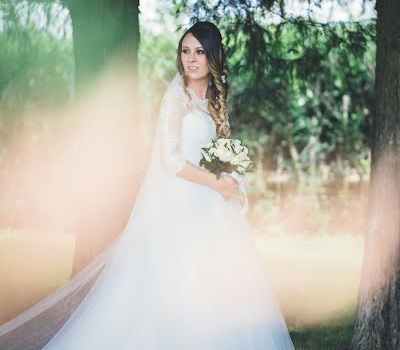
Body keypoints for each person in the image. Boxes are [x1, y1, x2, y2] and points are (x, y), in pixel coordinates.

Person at [4, 20, 296, 349]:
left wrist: (232, 176)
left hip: (209, 204)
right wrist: (217, 183)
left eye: (199, 51)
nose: (191, 58)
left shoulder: (213, 98)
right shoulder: (176, 98)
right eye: (185, 51)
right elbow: (170, 160)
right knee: (180, 284)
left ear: (213, 55)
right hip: (180, 203)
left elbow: (215, 152)